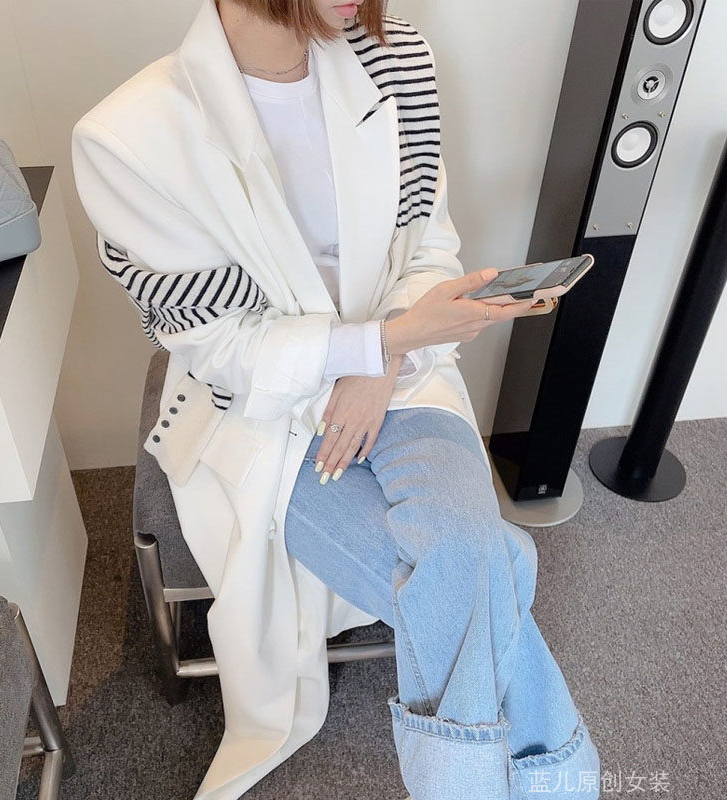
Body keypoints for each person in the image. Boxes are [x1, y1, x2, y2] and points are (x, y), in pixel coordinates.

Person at [71, 0, 601, 798]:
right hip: (262, 416)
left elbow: (427, 243)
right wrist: (375, 345)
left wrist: (384, 358)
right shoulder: (130, 137)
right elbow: (221, 346)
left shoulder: (397, 59)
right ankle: (559, 782)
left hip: (407, 376)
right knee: (485, 563)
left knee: (466, 557)